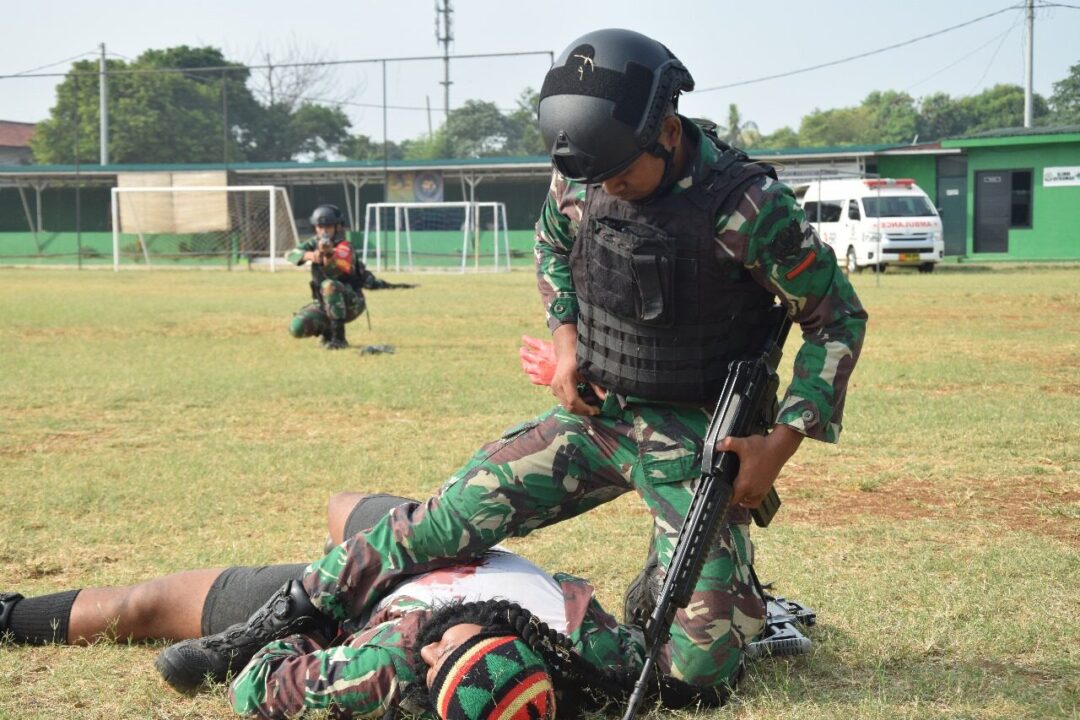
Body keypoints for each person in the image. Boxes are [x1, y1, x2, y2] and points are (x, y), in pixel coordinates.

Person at [161, 27, 866, 707]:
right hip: (599, 416)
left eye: (621, 174)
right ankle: (264, 628)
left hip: (695, 439)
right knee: (444, 520)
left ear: (669, 135)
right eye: (592, 177)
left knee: (696, 679)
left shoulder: (747, 208)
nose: (605, 189)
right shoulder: (584, 177)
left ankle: (643, 610)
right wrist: (565, 342)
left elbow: (835, 320)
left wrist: (779, 444)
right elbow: (553, 248)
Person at [1, 493, 691, 719]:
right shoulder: (596, 655)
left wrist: (312, 637)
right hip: (416, 543)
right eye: (440, 653)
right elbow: (677, 648)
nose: (431, 652)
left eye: (434, 668)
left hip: (356, 600)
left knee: (147, 606)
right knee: (341, 507)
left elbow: (258, 685)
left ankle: (10, 615)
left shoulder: (386, 661)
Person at [287, 204, 369, 350]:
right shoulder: (313, 243)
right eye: (320, 226)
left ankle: (339, 339)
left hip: (352, 303)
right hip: (324, 303)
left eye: (328, 226)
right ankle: (328, 333)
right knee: (297, 327)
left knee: (329, 285)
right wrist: (312, 255)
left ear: (337, 227)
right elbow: (290, 254)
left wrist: (329, 254)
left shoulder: (345, 246)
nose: (324, 230)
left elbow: (335, 271)